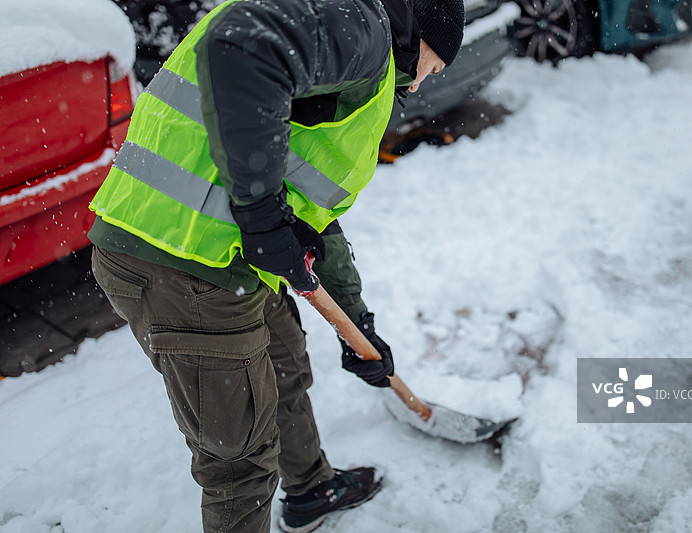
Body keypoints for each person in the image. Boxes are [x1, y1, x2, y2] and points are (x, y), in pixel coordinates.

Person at [88, 0, 464, 531]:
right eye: (435, 67)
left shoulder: (341, 52)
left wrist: (358, 325)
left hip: (221, 258)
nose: (424, 84)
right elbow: (242, 45)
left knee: (284, 366)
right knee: (239, 463)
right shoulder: (360, 26)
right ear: (424, 35)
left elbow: (313, 215)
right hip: (183, 264)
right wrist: (263, 219)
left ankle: (312, 489)